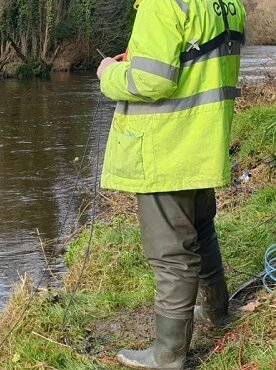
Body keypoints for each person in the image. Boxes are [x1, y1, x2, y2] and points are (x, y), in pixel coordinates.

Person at [95, 0, 246, 368]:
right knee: (201, 230)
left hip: (166, 148)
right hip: (202, 142)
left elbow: (153, 80)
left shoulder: (162, 5)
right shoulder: (227, 3)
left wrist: (108, 74)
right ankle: (216, 312)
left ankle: (168, 355)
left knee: (171, 255)